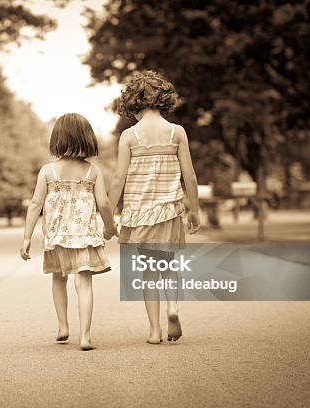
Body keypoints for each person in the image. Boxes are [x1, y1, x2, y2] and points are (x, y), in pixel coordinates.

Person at [108, 71, 200, 344]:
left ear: (133, 103)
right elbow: (190, 175)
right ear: (163, 100)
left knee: (148, 270)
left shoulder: (129, 136)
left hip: (140, 214)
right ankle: (173, 308)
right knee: (168, 265)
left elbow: (117, 179)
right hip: (170, 210)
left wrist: (109, 216)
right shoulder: (177, 132)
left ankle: (154, 331)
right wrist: (194, 209)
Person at [20, 113, 118, 351]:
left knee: (58, 278)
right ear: (87, 139)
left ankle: (63, 326)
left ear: (58, 139)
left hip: (57, 238)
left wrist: (26, 237)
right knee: (84, 284)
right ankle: (84, 336)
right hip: (83, 237)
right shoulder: (92, 172)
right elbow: (104, 203)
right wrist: (109, 226)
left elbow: (35, 204)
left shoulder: (48, 172)